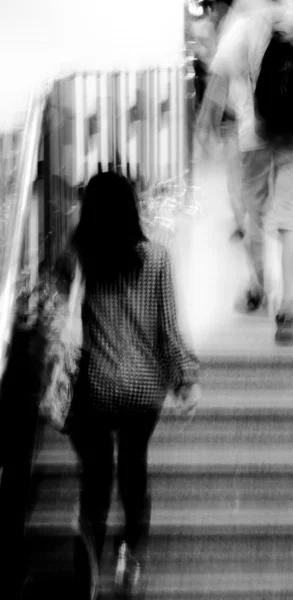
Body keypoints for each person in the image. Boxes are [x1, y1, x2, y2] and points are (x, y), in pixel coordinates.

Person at [58, 172, 201, 599]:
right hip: (143, 390)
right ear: (131, 208)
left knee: (95, 481)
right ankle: (130, 559)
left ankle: (88, 571)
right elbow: (169, 330)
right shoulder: (156, 258)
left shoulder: (76, 259)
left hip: (93, 389)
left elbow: (60, 325)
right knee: (134, 471)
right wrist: (186, 380)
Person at [198, 0, 293, 344]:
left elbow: (219, 78)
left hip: (254, 133)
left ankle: (261, 288)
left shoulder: (244, 21)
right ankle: (288, 304)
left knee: (255, 214)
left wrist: (205, 122)